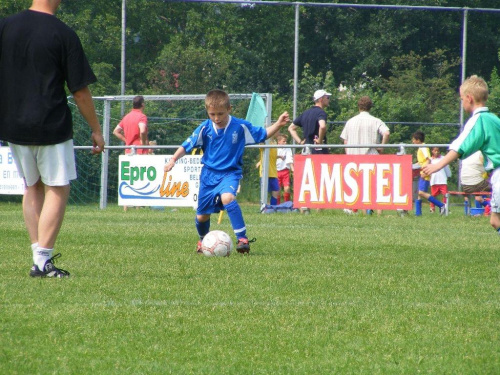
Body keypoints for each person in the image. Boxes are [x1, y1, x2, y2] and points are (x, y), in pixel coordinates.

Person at [0, 0, 105, 278]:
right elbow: (80, 92)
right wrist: (96, 128)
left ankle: (38, 256)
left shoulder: (5, 26)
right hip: (50, 124)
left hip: (13, 124)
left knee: (32, 186)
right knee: (57, 188)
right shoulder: (63, 33)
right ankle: (43, 261)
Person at [164, 89, 289, 254]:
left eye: (220, 114)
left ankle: (242, 239)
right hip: (208, 176)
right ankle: (203, 240)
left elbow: (263, 134)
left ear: (230, 109)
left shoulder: (240, 126)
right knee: (202, 216)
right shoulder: (205, 128)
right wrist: (173, 159)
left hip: (230, 173)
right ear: (207, 112)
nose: (217, 118)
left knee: (228, 197)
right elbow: (186, 145)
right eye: (212, 114)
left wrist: (278, 124)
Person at [424, 75, 500, 233]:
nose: (462, 102)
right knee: (494, 219)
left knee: (495, 221)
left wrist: (437, 166)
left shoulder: (478, 120)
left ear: (469, 98)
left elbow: (459, 147)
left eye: (461, 99)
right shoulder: (494, 119)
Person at [340, 95, 390, 215]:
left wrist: (349, 153)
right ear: (370, 107)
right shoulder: (375, 120)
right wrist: (382, 147)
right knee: (376, 186)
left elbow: (345, 141)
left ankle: (365, 212)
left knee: (360, 187)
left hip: (354, 158)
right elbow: (386, 133)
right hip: (371, 156)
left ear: (359, 107)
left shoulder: (350, 121)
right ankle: (378, 213)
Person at [412, 131, 447, 216]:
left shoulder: (423, 147)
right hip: (423, 171)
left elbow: (428, 159)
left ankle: (441, 205)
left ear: (418, 140)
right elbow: (422, 162)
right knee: (419, 194)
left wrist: (425, 171)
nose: (412, 142)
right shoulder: (421, 148)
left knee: (420, 192)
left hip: (425, 173)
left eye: (413, 140)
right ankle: (418, 214)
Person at [288, 89, 331, 155]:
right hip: (318, 151)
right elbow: (322, 126)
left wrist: (300, 142)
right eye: (327, 97)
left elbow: (291, 128)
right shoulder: (321, 113)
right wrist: (319, 140)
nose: (329, 99)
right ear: (321, 99)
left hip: (306, 150)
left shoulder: (305, 113)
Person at [255, 136, 280, 207]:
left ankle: (273, 207)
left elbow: (272, 155)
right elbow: (261, 147)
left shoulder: (274, 142)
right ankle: (263, 207)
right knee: (264, 192)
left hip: (273, 171)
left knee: (276, 191)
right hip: (265, 172)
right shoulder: (264, 141)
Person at [429, 147, 451, 213]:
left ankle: (445, 208)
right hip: (434, 180)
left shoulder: (443, 158)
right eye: (435, 151)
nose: (436, 152)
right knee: (433, 195)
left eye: (438, 151)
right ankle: (432, 208)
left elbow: (447, 168)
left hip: (442, 180)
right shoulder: (430, 160)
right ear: (432, 151)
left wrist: (448, 175)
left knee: (445, 195)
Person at [276, 133, 294, 203]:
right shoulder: (275, 148)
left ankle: (287, 203)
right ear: (279, 142)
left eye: (286, 141)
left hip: (285, 171)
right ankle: (277, 205)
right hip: (276, 171)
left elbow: (289, 158)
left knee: (287, 188)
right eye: (283, 141)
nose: (285, 142)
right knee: (277, 189)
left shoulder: (288, 148)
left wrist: (292, 168)